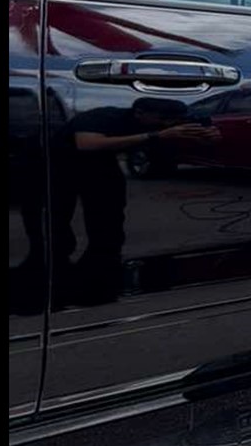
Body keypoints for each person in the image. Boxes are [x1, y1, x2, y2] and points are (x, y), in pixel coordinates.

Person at [54, 98, 220, 303]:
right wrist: (156, 135)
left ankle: (102, 270)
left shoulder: (177, 122)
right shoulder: (103, 116)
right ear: (140, 113)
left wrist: (208, 136)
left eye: (175, 119)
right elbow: (86, 144)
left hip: (102, 162)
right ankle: (57, 264)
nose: (169, 123)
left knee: (109, 215)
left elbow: (209, 142)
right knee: (59, 211)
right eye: (163, 119)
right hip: (59, 159)